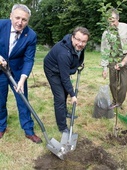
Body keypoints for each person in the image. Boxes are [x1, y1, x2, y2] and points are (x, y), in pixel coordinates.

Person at [0, 4, 42, 143]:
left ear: (28, 21)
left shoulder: (30, 35)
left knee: (23, 101)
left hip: (18, 72)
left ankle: (29, 130)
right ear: (11, 16)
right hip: (0, 70)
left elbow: (29, 59)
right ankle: (1, 127)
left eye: (24, 19)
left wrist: (23, 79)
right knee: (0, 100)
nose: (20, 22)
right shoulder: (1, 25)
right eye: (17, 18)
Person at [44, 27, 90, 133]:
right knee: (59, 97)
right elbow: (65, 78)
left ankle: (64, 112)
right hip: (52, 70)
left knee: (65, 91)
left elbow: (77, 56)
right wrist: (73, 95)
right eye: (78, 40)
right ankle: (62, 127)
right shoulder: (64, 53)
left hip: (62, 67)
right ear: (72, 38)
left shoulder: (77, 46)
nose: (80, 44)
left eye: (83, 41)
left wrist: (78, 63)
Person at [101, 8, 127, 110]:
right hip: (113, 58)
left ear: (118, 18)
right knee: (113, 83)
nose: (111, 23)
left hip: (125, 57)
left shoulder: (126, 27)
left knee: (124, 84)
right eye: (109, 20)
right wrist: (104, 68)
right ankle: (115, 101)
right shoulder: (106, 33)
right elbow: (104, 51)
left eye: (113, 20)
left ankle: (119, 102)